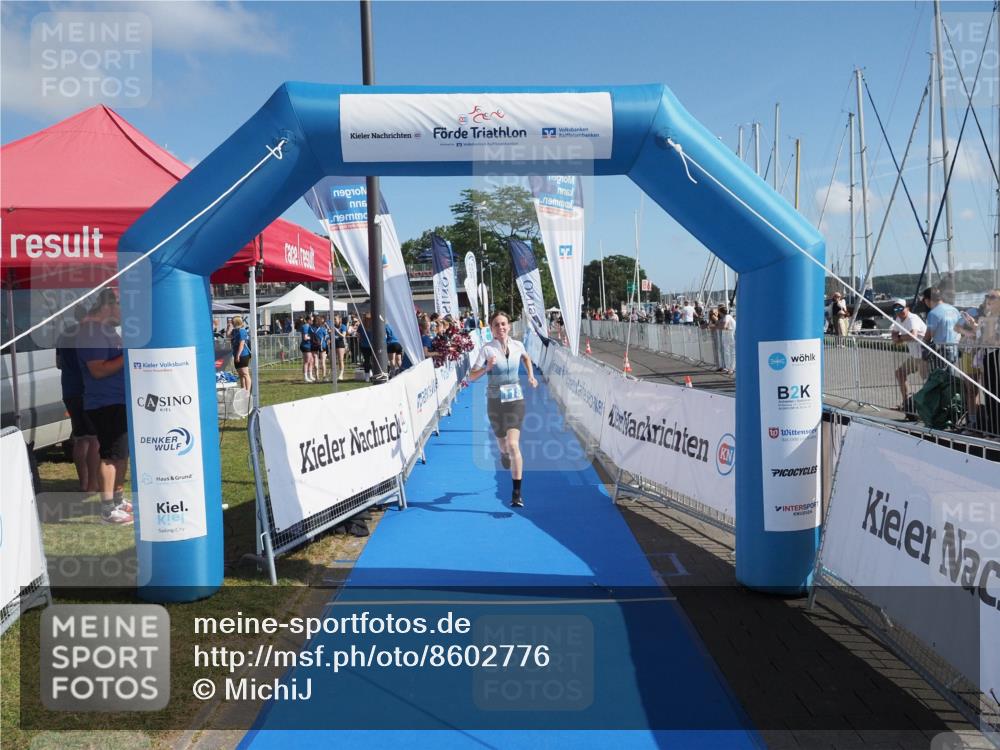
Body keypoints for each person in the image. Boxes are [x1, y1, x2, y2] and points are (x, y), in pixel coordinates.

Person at [468, 311, 538, 508]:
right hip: (495, 402)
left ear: (508, 326)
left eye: (504, 324)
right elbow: (471, 376)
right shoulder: (487, 349)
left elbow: (526, 358)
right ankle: (504, 454)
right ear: (491, 329)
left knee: (514, 444)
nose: (501, 327)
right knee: (503, 444)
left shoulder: (518, 345)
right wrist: (487, 368)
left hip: (516, 400)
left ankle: (517, 493)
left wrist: (531, 376)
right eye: (497, 325)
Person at [76, 289, 132, 525]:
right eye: (122, 306)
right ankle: (108, 509)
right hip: (105, 402)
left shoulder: (105, 330)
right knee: (110, 454)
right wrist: (128, 354)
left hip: (116, 400)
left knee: (120, 453)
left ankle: (117, 501)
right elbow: (97, 370)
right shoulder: (91, 332)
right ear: (109, 305)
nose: (125, 313)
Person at [55, 309, 100, 495]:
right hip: (88, 391)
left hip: (69, 390)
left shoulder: (64, 335)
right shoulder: (92, 335)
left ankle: (84, 483)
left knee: (80, 438)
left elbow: (58, 363)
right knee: (94, 439)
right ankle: (93, 485)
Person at [889, 298, 926, 410]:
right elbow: (894, 333)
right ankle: (907, 403)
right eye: (896, 308)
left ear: (907, 308)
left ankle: (925, 408)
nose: (899, 310)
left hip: (923, 355)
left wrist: (899, 338)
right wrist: (897, 337)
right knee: (899, 373)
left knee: (926, 382)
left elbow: (913, 335)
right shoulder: (899, 319)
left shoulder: (912, 318)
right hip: (915, 355)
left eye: (901, 308)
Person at [921, 286, 961, 369]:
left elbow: (929, 335)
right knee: (951, 378)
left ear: (927, 300)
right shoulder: (954, 309)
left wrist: (923, 345)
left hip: (942, 351)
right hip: (954, 348)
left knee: (941, 378)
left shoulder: (933, 313)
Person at [230, 315, 252, 392]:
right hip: (236, 354)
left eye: (232, 321)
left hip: (243, 355)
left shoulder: (242, 331)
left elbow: (241, 344)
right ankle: (243, 390)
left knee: (245, 373)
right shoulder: (235, 331)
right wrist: (228, 327)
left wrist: (238, 355)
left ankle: (248, 391)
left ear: (236, 322)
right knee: (240, 374)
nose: (231, 322)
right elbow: (228, 335)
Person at [299, 315, 315, 382]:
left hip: (309, 346)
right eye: (311, 320)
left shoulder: (309, 326)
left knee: (311, 361)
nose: (312, 321)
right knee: (307, 361)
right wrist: (312, 338)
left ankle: (310, 375)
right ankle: (305, 377)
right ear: (308, 320)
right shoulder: (305, 326)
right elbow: (305, 337)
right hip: (305, 346)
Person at [332, 314, 348, 380]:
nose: (334, 320)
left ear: (339, 320)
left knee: (340, 359)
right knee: (332, 360)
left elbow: (343, 336)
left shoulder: (343, 326)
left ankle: (341, 374)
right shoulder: (333, 326)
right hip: (333, 343)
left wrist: (337, 332)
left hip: (340, 344)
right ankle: (333, 374)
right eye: (334, 319)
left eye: (335, 319)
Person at [314, 315, 330, 381]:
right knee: (323, 362)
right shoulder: (323, 329)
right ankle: (324, 377)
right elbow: (328, 339)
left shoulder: (313, 329)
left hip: (314, 346)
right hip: (322, 346)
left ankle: (317, 377)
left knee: (316, 362)